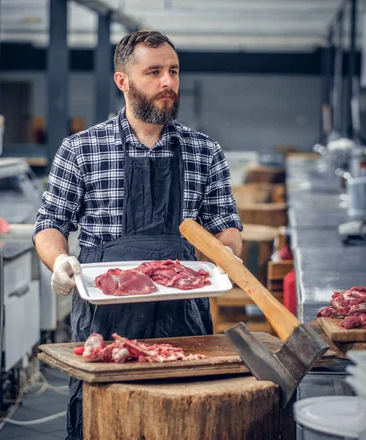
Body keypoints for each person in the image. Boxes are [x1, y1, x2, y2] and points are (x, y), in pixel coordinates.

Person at [33, 30, 243, 440]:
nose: (168, 82)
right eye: (154, 72)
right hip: (106, 323)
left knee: (185, 421)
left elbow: (226, 225)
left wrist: (228, 256)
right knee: (103, 421)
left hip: (185, 318)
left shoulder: (205, 151)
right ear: (122, 81)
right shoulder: (81, 150)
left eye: (173, 71)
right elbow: (50, 224)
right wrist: (58, 261)